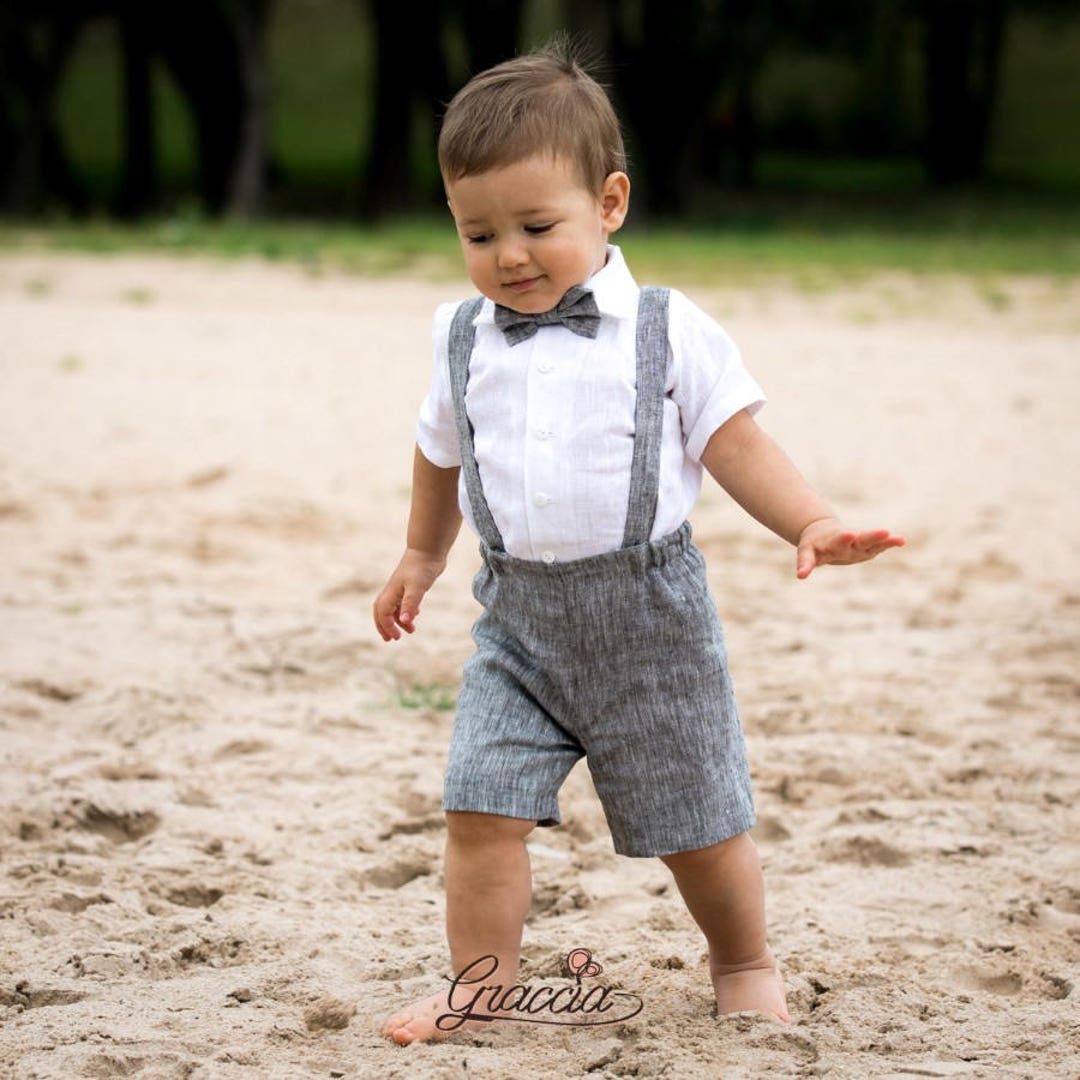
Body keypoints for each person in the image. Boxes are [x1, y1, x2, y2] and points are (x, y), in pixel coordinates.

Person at [372, 42, 904, 1046]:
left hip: (651, 625)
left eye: (536, 226)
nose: (510, 255)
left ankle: (743, 959)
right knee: (479, 812)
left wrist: (812, 521)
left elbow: (736, 441)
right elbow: (439, 451)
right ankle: (479, 982)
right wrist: (421, 555)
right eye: (478, 233)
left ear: (609, 204)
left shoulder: (666, 328)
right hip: (516, 624)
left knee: (699, 823)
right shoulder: (462, 337)